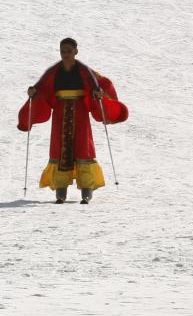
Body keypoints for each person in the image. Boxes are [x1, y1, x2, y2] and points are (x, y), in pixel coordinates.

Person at [18, 38, 128, 204]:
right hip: (60, 113)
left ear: (76, 51)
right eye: (63, 51)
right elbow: (41, 87)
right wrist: (33, 91)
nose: (66, 54)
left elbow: (96, 86)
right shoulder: (53, 71)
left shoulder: (84, 71)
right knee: (60, 148)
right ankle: (61, 189)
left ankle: (87, 188)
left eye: (69, 51)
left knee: (83, 146)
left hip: (80, 112)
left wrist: (98, 93)